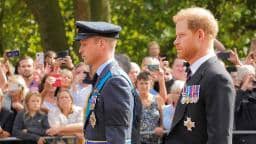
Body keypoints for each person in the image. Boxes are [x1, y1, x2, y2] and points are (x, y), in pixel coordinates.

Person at [165, 7, 235, 144]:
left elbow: (219, 140)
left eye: (181, 35)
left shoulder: (216, 78)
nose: (175, 42)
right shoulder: (196, 73)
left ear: (200, 35)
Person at [76, 21, 134, 144]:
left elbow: (118, 138)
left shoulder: (115, 81)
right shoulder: (104, 77)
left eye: (84, 44)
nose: (80, 50)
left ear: (101, 44)